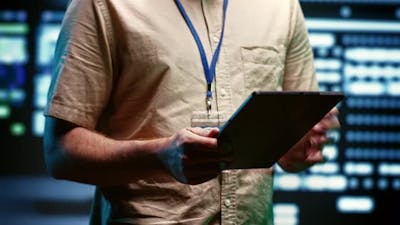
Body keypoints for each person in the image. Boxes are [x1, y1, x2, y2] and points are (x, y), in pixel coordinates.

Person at [43, 0, 340, 224]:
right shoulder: (102, 5)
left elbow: (293, 156)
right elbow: (60, 153)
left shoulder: (281, 6)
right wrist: (159, 156)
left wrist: (301, 144)